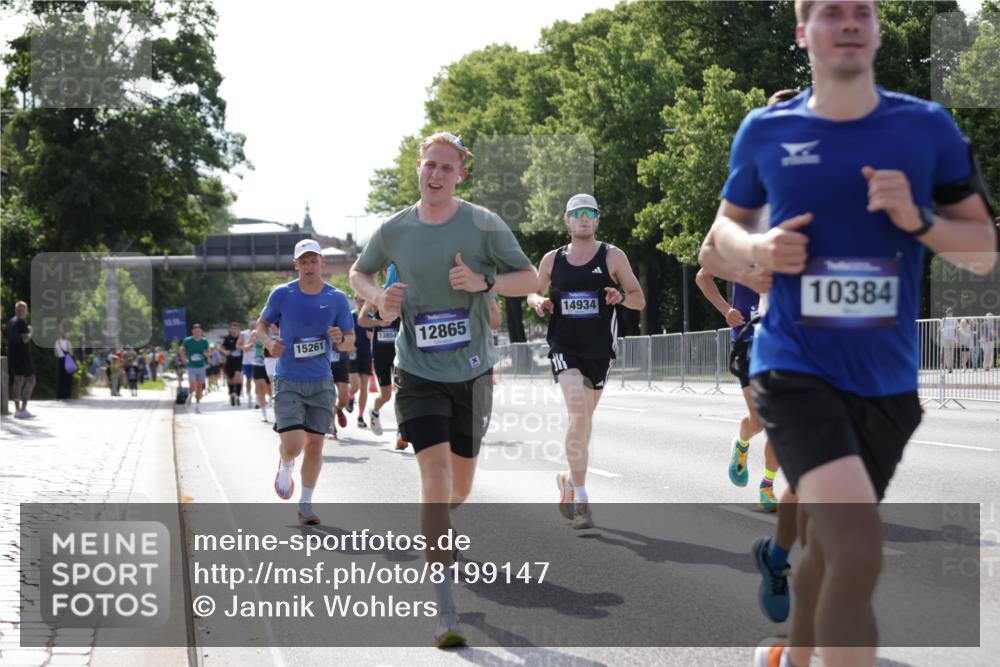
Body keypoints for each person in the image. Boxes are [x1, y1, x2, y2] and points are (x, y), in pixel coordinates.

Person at [709, 2, 997, 666]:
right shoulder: (766, 130)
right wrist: (757, 247)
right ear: (802, 32)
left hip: (886, 381)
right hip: (793, 366)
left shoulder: (928, 127)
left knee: (829, 544)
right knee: (860, 549)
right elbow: (723, 230)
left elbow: (983, 250)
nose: (847, 22)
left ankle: (792, 654)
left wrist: (918, 219)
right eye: (830, 12)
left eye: (861, 11)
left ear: (876, 29)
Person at [350, 130, 537, 648]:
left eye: (446, 168)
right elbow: (359, 273)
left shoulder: (482, 224)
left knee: (460, 488)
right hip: (417, 372)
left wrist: (484, 283)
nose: (436, 174)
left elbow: (530, 279)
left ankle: (438, 524)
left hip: (473, 373)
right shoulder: (394, 229)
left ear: (460, 175)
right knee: (433, 478)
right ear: (418, 167)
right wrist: (378, 298)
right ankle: (444, 607)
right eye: (429, 165)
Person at [527, 193, 645, 530]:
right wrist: (538, 302)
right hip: (564, 345)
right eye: (576, 213)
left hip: (599, 349)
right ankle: (581, 499)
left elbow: (639, 299)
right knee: (578, 412)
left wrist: (620, 296)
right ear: (567, 220)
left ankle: (568, 479)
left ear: (597, 219)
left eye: (589, 213)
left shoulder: (613, 256)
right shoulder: (552, 259)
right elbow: (533, 291)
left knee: (584, 420)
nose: (583, 218)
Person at [262, 238, 355, 527]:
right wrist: (269, 343)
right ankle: (286, 461)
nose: (309, 266)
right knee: (293, 445)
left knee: (315, 444)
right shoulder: (282, 294)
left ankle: (305, 504)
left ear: (322, 262)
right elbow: (261, 325)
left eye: (314, 260)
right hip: (288, 379)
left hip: (321, 382)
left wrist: (341, 339)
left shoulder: (337, 298)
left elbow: (350, 341)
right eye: (303, 261)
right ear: (296, 265)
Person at [7, 301, 37, 418]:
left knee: (17, 381)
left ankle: (17, 410)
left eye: (22, 310)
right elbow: (25, 339)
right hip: (23, 356)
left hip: (13, 355)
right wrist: (30, 332)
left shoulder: (11, 321)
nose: (21, 312)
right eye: (20, 310)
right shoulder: (21, 322)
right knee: (31, 380)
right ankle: (23, 409)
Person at [347, 296, 374, 429]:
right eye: (358, 300)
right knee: (355, 385)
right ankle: (350, 396)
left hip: (366, 355)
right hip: (353, 354)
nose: (361, 302)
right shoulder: (350, 316)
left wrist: (372, 335)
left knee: (364, 387)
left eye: (363, 300)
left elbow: (374, 336)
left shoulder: (371, 317)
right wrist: (349, 345)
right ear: (354, 301)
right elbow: (345, 333)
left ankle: (360, 416)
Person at [243, 319, 271, 422]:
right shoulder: (254, 333)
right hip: (258, 363)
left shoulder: (272, 331)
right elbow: (246, 348)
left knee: (270, 389)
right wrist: (251, 344)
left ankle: (271, 403)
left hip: (271, 363)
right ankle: (264, 414)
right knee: (260, 387)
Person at [179, 324, 210, 413]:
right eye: (195, 331)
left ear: (201, 332)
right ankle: (190, 394)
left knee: (199, 386)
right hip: (191, 366)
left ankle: (197, 405)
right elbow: (182, 349)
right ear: (192, 332)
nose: (197, 333)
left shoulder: (204, 341)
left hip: (201, 366)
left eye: (198, 331)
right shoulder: (187, 340)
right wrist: (184, 359)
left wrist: (207, 354)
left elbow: (208, 351)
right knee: (193, 383)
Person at [222, 322, 245, 406]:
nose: (234, 330)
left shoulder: (241, 338)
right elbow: (222, 348)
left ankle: (237, 395)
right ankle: (231, 394)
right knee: (230, 380)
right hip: (230, 361)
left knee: (238, 377)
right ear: (230, 330)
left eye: (235, 329)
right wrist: (225, 352)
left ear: (238, 330)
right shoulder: (227, 338)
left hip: (239, 360)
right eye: (232, 329)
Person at [54, 332, 74, 400]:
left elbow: (55, 354)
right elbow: (71, 352)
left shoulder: (57, 342)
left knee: (60, 378)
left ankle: (59, 395)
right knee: (67, 378)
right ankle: (66, 395)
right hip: (67, 360)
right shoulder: (68, 342)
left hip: (60, 360)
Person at [940, 306, 958, 372]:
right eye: (948, 312)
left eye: (950, 312)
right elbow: (941, 329)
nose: (949, 314)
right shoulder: (943, 320)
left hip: (952, 338)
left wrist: (956, 338)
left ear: (952, 313)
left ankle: (951, 367)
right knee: (947, 353)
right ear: (946, 313)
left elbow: (956, 329)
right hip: (946, 338)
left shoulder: (955, 319)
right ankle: (948, 367)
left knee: (952, 353)